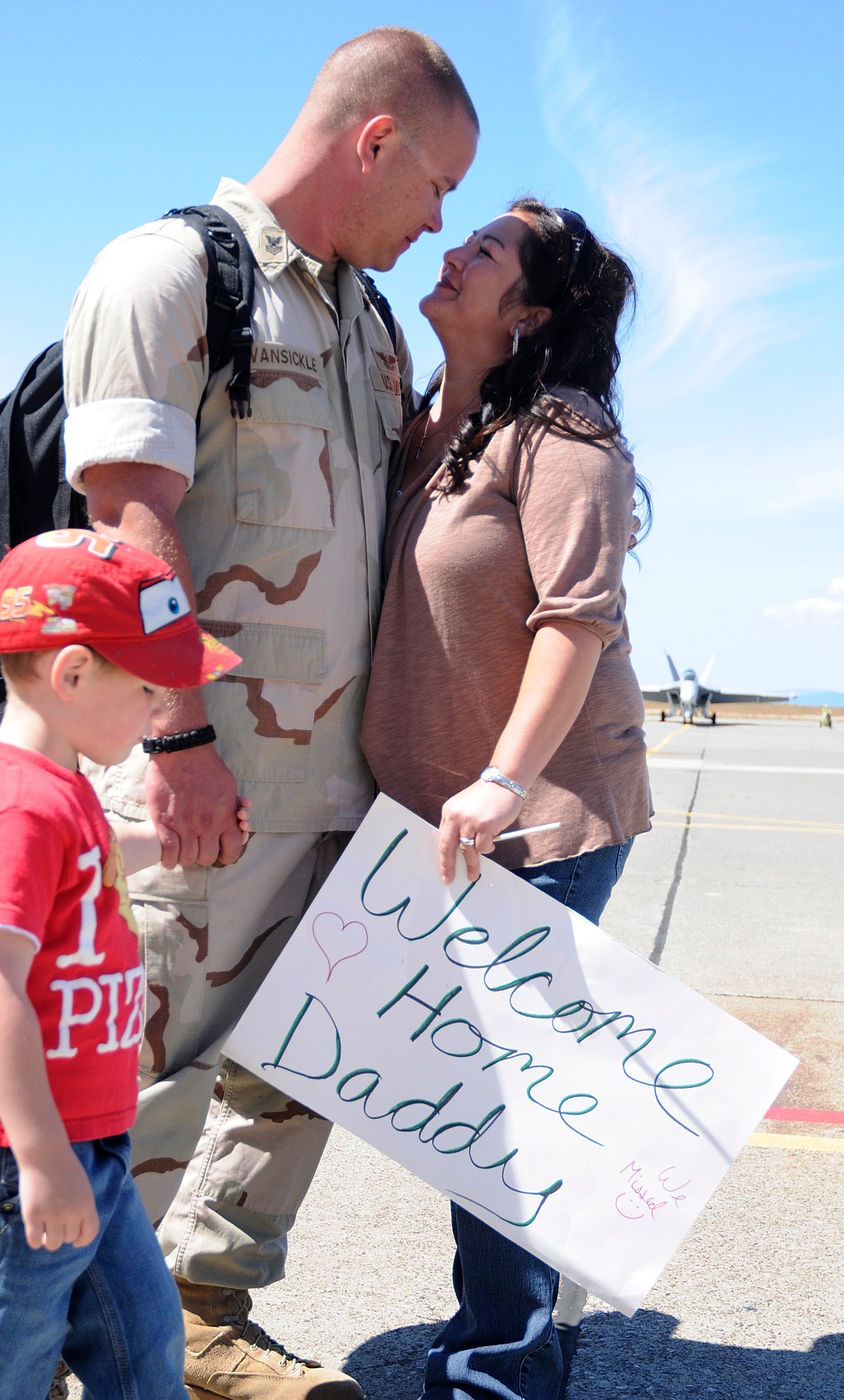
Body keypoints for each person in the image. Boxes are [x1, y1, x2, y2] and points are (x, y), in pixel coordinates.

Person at [61, 26, 479, 1400]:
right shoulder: (175, 275)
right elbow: (131, 529)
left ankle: (203, 1312)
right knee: (147, 1066)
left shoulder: (363, 323)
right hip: (205, 772)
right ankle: (86, 1334)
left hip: (342, 787)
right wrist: (177, 740)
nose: (440, 224)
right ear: (375, 142)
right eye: (436, 189)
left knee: (304, 1070)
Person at [359, 199, 653, 1400]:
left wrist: (498, 777)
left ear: (527, 309)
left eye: (487, 249)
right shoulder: (422, 423)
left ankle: (500, 1366)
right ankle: (510, 1325)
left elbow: (575, 620)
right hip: (430, 828)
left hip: (535, 821)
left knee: (501, 1112)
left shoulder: (560, 431)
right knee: (464, 1099)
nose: (455, 249)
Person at [0, 529, 246, 1399]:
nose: (162, 702)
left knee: (144, 1346)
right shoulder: (13, 807)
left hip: (85, 1141)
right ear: (75, 674)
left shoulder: (60, 792)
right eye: (149, 686)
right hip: (9, 1162)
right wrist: (43, 1157)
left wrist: (173, 847)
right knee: (0, 1373)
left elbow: (95, 849)